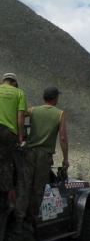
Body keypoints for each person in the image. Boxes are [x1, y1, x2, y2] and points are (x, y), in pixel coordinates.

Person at [21, 86, 68, 220]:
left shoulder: (32, 110)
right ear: (55, 98)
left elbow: (18, 114)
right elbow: (63, 138)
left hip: (28, 153)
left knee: (25, 185)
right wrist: (65, 159)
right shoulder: (60, 114)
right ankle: (31, 219)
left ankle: (19, 216)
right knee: (38, 189)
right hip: (44, 156)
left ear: (44, 98)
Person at [0, 73, 27, 213]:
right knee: (7, 162)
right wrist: (20, 137)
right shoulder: (19, 93)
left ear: (3, 81)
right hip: (7, 133)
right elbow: (21, 115)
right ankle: (7, 193)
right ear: (15, 83)